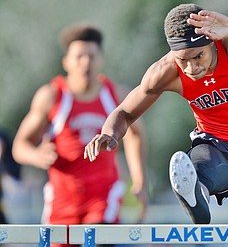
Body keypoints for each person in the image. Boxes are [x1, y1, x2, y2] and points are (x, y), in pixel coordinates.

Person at [84, 3, 228, 246]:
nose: (192, 68)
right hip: (215, 144)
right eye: (183, 60)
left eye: (199, 56)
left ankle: (205, 192)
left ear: (211, 41)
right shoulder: (166, 71)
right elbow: (125, 112)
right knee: (201, 163)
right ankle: (198, 191)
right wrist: (110, 133)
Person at [12, 23, 147, 247]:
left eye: (92, 56)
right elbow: (19, 146)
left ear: (101, 60)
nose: (86, 62)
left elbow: (136, 134)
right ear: (66, 62)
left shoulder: (117, 96)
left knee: (98, 239)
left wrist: (139, 179)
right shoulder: (51, 96)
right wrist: (37, 155)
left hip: (103, 198)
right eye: (79, 56)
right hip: (62, 202)